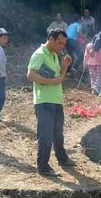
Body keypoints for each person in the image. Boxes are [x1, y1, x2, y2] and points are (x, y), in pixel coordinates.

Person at [27, 29, 75, 177]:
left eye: (64, 43)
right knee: (45, 135)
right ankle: (43, 167)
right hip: (44, 101)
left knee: (58, 134)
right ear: (51, 39)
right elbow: (30, 75)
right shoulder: (39, 54)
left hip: (56, 100)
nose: (62, 46)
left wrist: (65, 65)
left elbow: (59, 77)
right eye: (60, 42)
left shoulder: (54, 55)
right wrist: (51, 82)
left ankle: (62, 159)